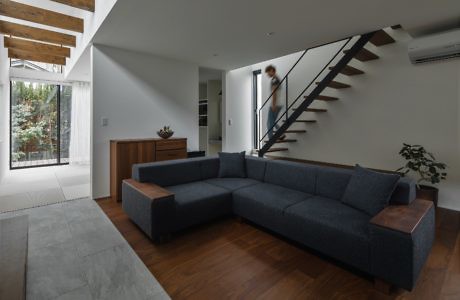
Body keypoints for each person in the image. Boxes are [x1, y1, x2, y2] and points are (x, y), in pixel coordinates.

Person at [265, 65, 286, 140]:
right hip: (279, 104)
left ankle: (271, 139)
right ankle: (281, 133)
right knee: (272, 122)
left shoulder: (274, 80)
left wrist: (273, 105)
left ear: (271, 71)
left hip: (275, 104)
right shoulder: (278, 79)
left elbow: (274, 93)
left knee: (269, 123)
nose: (267, 75)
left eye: (268, 73)